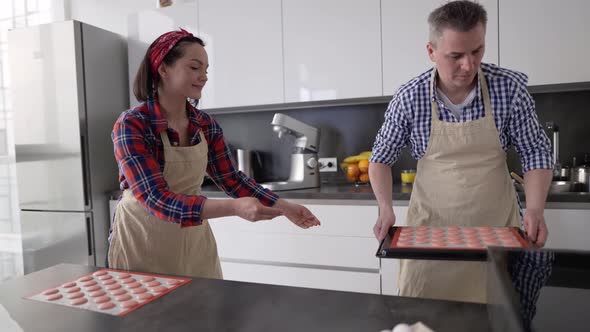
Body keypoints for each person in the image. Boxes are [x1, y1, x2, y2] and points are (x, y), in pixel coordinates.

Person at [369, 1, 553, 303]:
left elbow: (535, 151)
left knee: (498, 315)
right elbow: (380, 159)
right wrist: (385, 208)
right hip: (430, 234)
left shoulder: (508, 89)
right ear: (431, 51)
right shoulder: (410, 97)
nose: (468, 65)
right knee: (425, 315)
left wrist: (534, 209)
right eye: (455, 56)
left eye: (477, 51)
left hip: (497, 231)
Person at [108, 28, 320, 279]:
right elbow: (156, 198)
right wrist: (234, 208)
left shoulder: (205, 125)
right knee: (147, 317)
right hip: (142, 239)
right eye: (195, 67)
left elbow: (232, 179)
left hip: (193, 241)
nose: (204, 77)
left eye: (206, 70)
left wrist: (283, 206)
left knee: (205, 313)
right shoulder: (133, 124)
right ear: (163, 69)